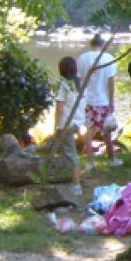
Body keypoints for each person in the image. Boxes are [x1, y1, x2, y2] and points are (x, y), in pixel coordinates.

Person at [77, 34, 118, 169]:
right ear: (102, 44)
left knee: (89, 129)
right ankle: (111, 159)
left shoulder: (82, 58)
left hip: (87, 99)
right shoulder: (108, 58)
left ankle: (89, 161)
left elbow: (78, 79)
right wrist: (112, 100)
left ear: (91, 44)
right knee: (106, 130)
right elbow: (111, 81)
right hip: (103, 99)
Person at [53, 56, 86, 196]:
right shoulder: (78, 82)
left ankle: (76, 186)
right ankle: (70, 177)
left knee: (71, 154)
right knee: (62, 150)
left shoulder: (63, 85)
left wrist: (56, 127)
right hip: (78, 121)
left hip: (67, 123)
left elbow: (59, 108)